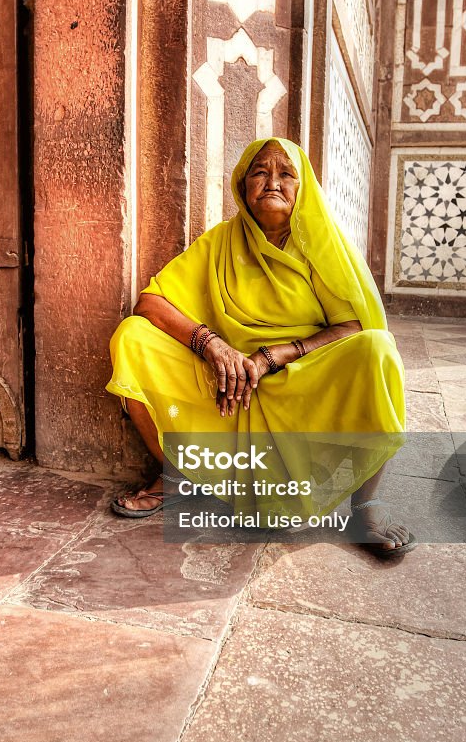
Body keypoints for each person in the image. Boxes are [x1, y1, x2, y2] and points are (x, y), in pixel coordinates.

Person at [105, 137, 416, 555]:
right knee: (132, 337)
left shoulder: (321, 244)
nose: (272, 182)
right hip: (229, 381)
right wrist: (213, 346)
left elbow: (354, 326)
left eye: (286, 173)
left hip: (299, 376)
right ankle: (176, 478)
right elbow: (150, 302)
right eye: (260, 172)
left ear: (302, 187)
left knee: (378, 349)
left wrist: (275, 355)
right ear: (242, 185)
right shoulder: (220, 242)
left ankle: (365, 507)